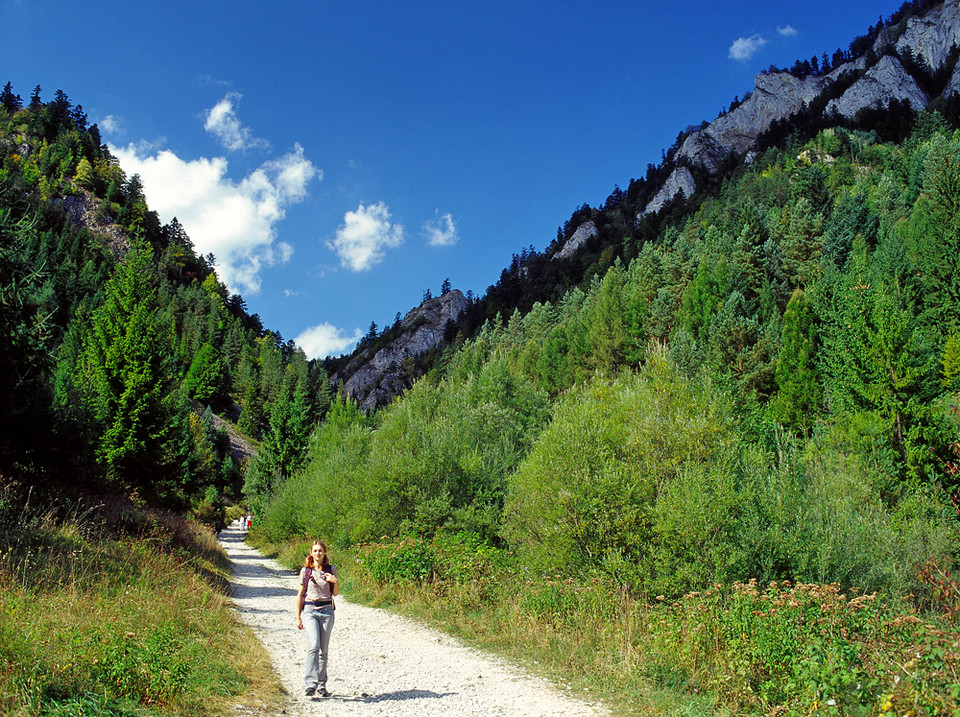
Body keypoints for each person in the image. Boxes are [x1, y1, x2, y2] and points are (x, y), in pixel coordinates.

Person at [296, 540, 339, 697]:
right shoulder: (306, 571)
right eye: (315, 550)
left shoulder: (331, 569)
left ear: (325, 552)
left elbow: (335, 593)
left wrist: (334, 581)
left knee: (323, 650)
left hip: (327, 611)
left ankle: (321, 685)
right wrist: (298, 617)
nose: (318, 553)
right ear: (311, 553)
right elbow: (300, 594)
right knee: (313, 644)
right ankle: (310, 684)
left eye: (320, 550)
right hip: (310, 610)